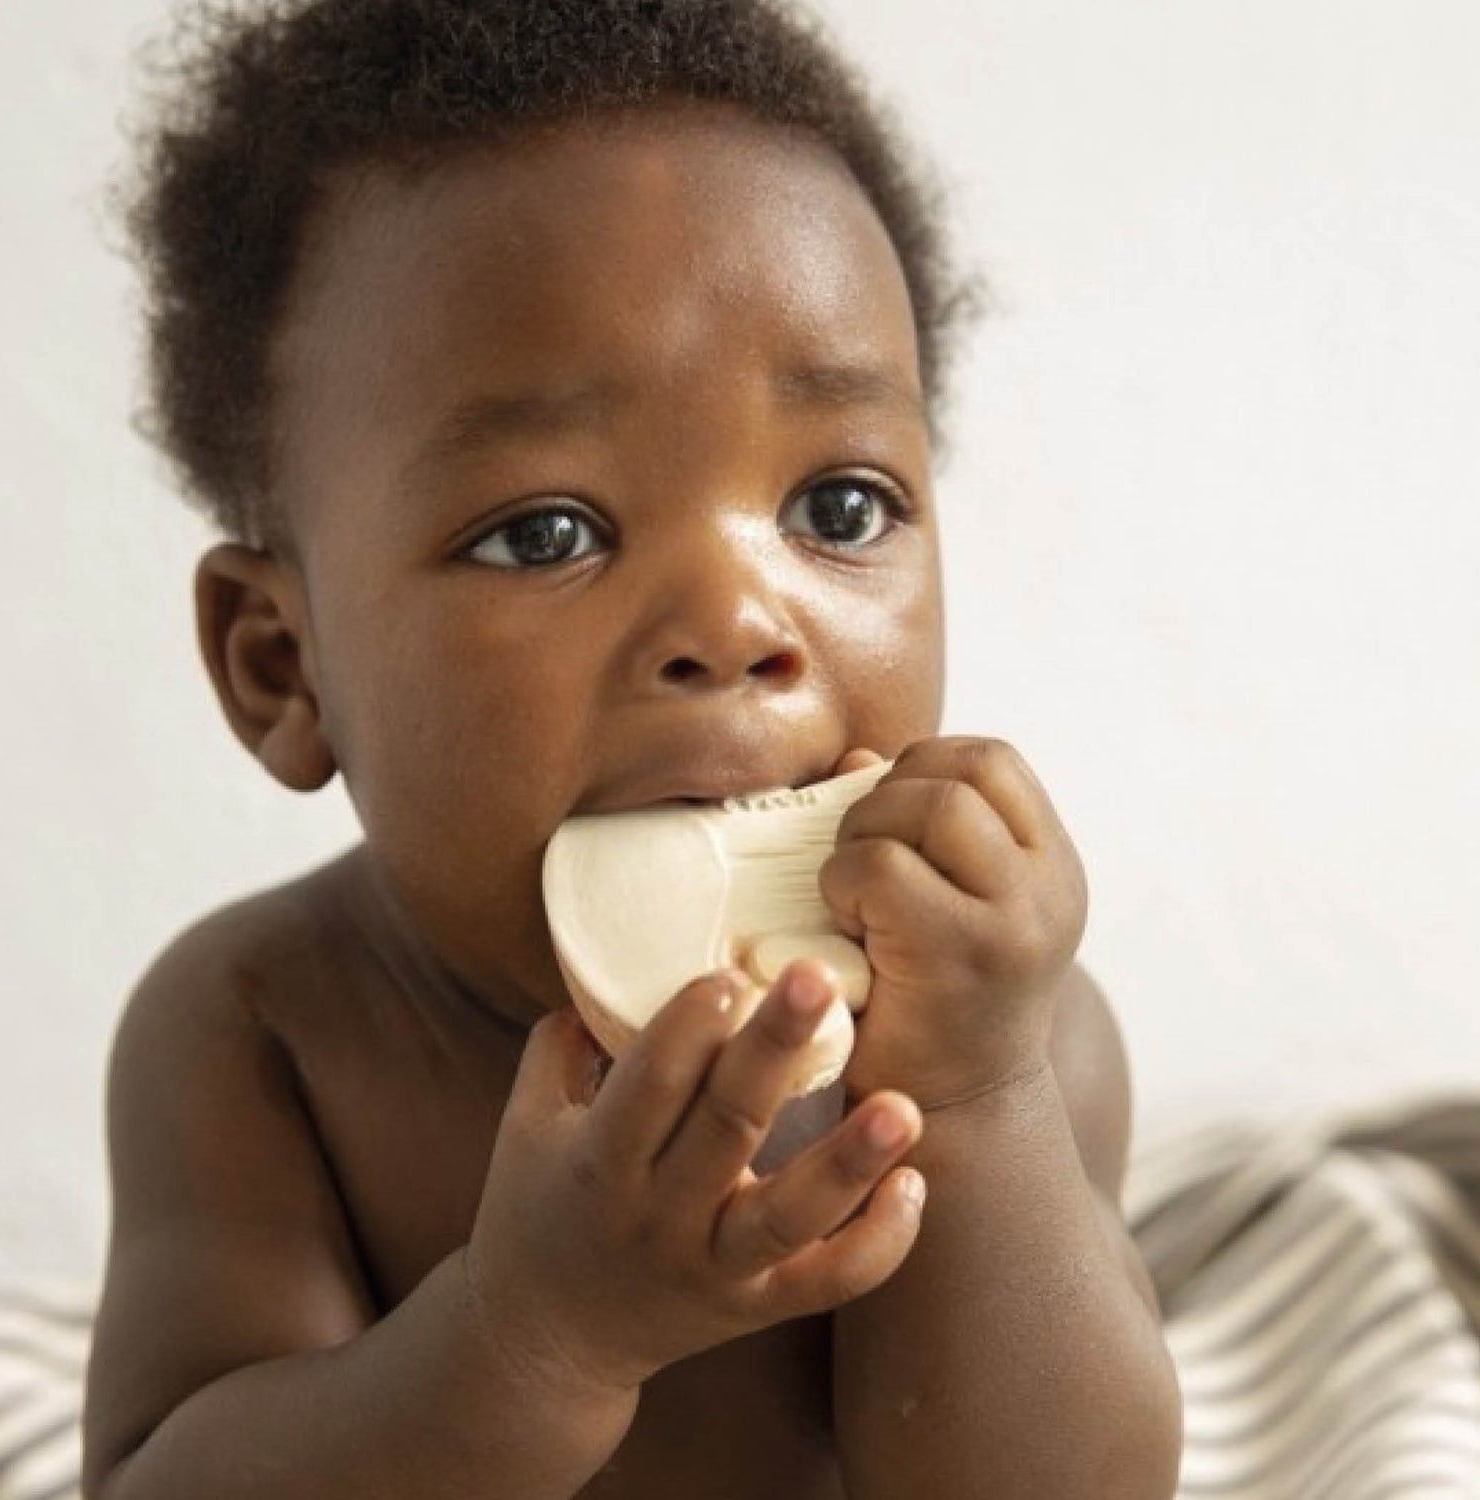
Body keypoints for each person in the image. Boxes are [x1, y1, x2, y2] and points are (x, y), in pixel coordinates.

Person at [82, 1, 1183, 1496]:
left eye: (838, 510)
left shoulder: (1013, 1037)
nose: (736, 621)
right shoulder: (265, 1037)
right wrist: (533, 1340)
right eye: (545, 532)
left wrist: (980, 1102)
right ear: (286, 668)